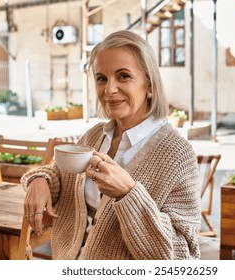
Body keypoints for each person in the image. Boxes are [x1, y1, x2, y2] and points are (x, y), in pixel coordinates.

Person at [21, 30, 201, 260]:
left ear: (150, 85)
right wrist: (39, 180)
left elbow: (183, 256)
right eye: (102, 78)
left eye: (123, 76)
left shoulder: (178, 155)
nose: (109, 89)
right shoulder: (94, 135)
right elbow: (58, 173)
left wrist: (128, 194)